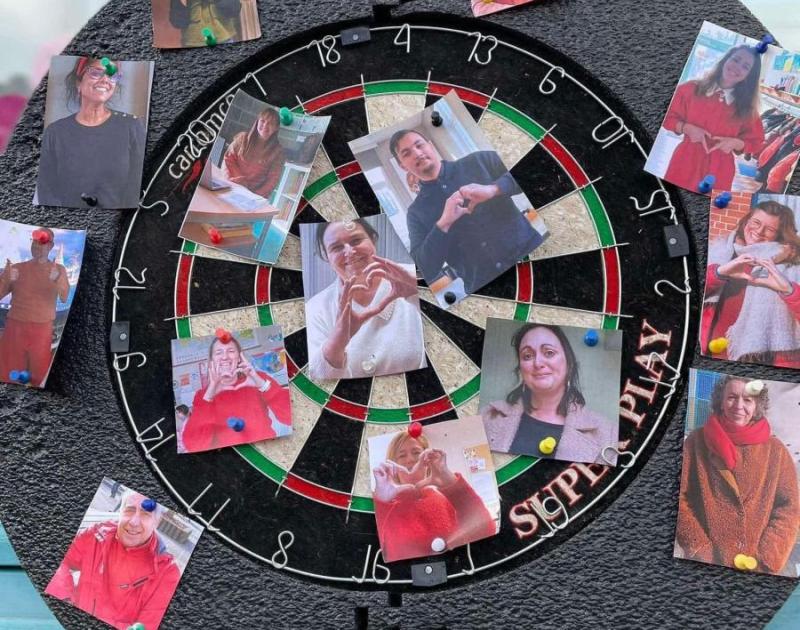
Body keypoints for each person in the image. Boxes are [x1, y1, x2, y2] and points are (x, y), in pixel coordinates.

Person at [389, 129, 544, 294]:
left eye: (419, 145)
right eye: (406, 153)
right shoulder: (415, 214)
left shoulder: (480, 160)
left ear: (430, 145)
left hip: (532, 255)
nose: (417, 153)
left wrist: (494, 189)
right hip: (484, 288)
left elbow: (533, 170)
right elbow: (424, 269)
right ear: (402, 165)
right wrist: (443, 224)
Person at [676, 376, 800, 574]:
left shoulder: (776, 451)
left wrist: (768, 558)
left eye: (748, 399)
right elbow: (678, 496)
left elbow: (790, 507)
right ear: (721, 401)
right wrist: (700, 549)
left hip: (757, 567)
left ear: (757, 406)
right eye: (732, 397)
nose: (739, 406)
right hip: (707, 562)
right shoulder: (696, 441)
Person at [305, 218, 426, 379]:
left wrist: (418, 295)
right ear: (327, 257)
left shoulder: (412, 276)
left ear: (373, 240)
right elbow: (317, 378)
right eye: (336, 247)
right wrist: (337, 341)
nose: (349, 252)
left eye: (356, 240)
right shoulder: (316, 308)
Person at [45, 490, 182, 629]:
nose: (134, 522)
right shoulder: (95, 535)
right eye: (129, 510)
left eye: (145, 514)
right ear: (120, 512)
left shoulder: (167, 573)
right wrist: (65, 599)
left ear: (157, 522)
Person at [481, 323, 616, 464]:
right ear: (521, 369)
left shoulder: (607, 434)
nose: (538, 363)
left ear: (569, 364)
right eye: (527, 356)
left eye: (549, 353)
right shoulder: (489, 416)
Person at [36, 57, 146, 209]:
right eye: (96, 73)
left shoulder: (132, 127)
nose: (105, 80)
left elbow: (136, 188)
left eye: (112, 75)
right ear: (78, 83)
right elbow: (46, 191)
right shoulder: (55, 132)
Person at [372, 431, 497, 562]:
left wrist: (450, 481)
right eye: (402, 455)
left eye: (416, 452)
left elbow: (486, 530)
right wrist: (382, 501)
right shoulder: (386, 505)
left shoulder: (444, 499)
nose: (410, 459)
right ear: (393, 465)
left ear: (426, 460)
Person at [702, 200, 800, 366]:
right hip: (708, 352)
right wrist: (719, 273)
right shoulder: (719, 250)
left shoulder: (792, 267)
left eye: (770, 229)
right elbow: (688, 292)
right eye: (756, 222)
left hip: (759, 362)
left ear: (780, 234)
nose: (759, 231)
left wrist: (789, 291)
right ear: (746, 221)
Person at [661, 44, 765, 192]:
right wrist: (686, 128)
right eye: (736, 59)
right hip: (683, 163)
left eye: (745, 66)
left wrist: (736, 143)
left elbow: (757, 142)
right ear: (726, 59)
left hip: (720, 173)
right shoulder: (690, 89)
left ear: (749, 75)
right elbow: (666, 116)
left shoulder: (748, 109)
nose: (737, 67)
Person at [180, 334, 291, 452]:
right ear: (212, 360)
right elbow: (193, 445)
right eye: (218, 352)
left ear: (239, 357)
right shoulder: (203, 395)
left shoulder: (258, 379)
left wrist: (263, 385)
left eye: (231, 351)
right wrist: (209, 396)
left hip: (265, 449)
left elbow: (289, 418)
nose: (225, 357)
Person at [0, 228, 69, 387]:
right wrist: (6, 278)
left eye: (42, 243)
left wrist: (58, 279)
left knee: (39, 375)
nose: (37, 246)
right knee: (7, 373)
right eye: (34, 242)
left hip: (42, 331)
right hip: (15, 328)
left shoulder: (59, 270)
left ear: (50, 246)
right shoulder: (16, 268)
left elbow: (65, 297)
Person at [222, 107, 287, 198]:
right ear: (257, 121)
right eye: (262, 121)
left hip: (251, 196)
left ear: (276, 128)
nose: (265, 125)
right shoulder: (242, 138)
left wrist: (253, 196)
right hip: (230, 185)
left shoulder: (278, 152)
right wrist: (240, 181)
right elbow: (228, 159)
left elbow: (272, 179)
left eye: (271, 123)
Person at [169, 0, 241, 47]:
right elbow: (178, 22)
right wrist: (181, 3)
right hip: (195, 42)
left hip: (223, 37)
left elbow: (234, 10)